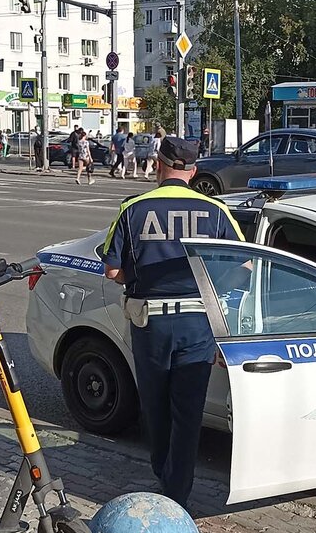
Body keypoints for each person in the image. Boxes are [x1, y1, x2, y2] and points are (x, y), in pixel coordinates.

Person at [102, 137, 245, 507]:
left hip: (151, 323)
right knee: (188, 408)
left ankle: (161, 471)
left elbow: (113, 270)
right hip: (198, 321)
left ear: (157, 164)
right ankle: (178, 490)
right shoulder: (215, 210)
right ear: (193, 171)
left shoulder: (133, 208)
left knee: (155, 402)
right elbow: (245, 264)